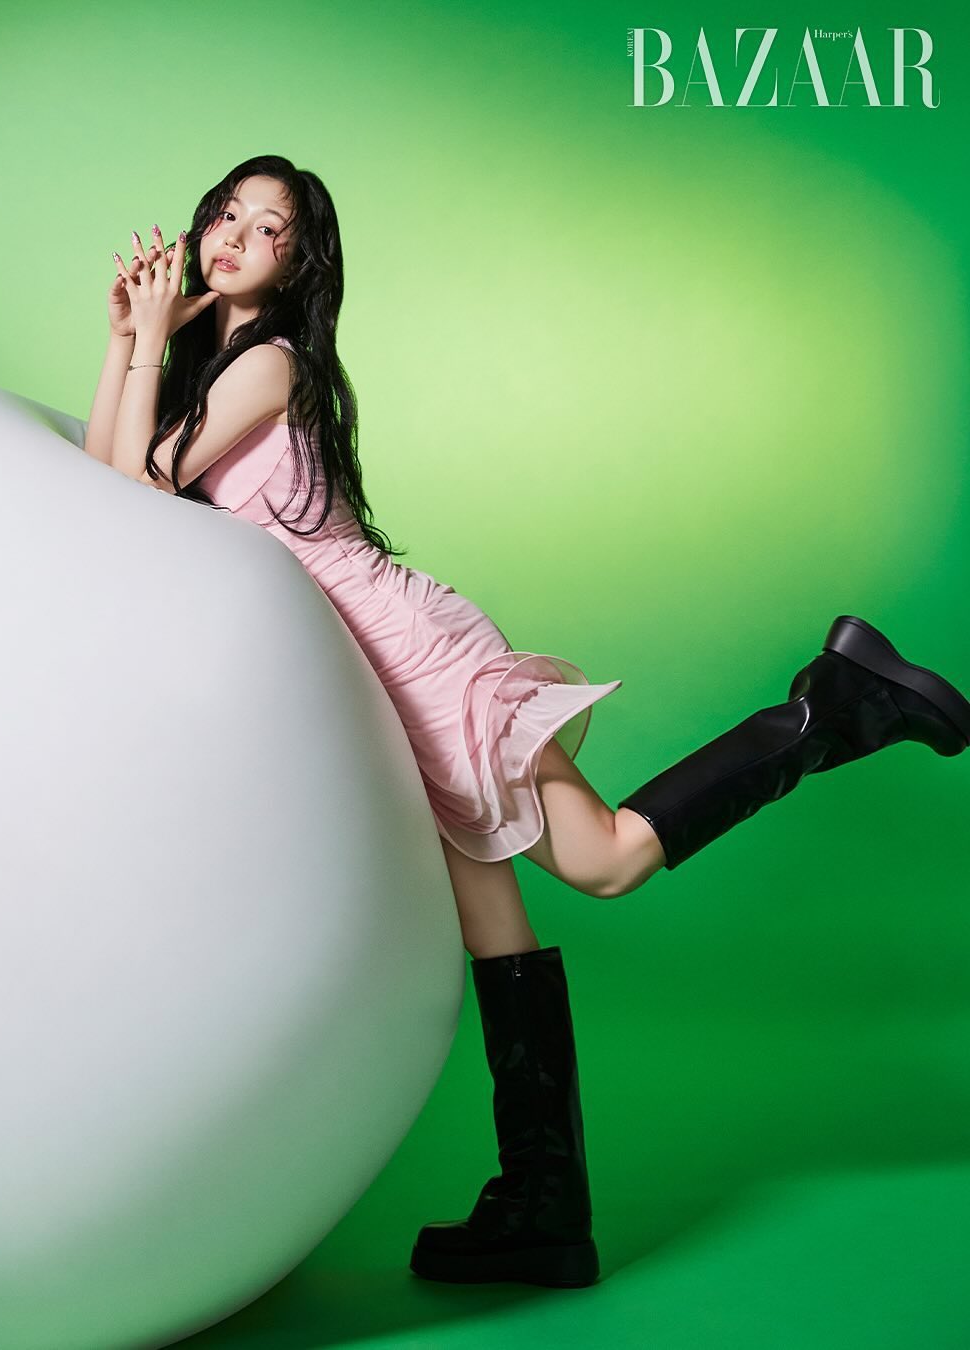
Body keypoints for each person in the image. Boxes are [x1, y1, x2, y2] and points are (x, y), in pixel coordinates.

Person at [83, 153, 970, 1291]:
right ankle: (543, 1205)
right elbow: (106, 487)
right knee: (490, 922)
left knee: (601, 862)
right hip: (368, 674)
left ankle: (831, 707)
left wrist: (146, 345)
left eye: (269, 229)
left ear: (299, 266)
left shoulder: (270, 363)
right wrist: (128, 338)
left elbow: (139, 496)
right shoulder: (212, 369)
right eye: (227, 214)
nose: (233, 237)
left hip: (413, 657)